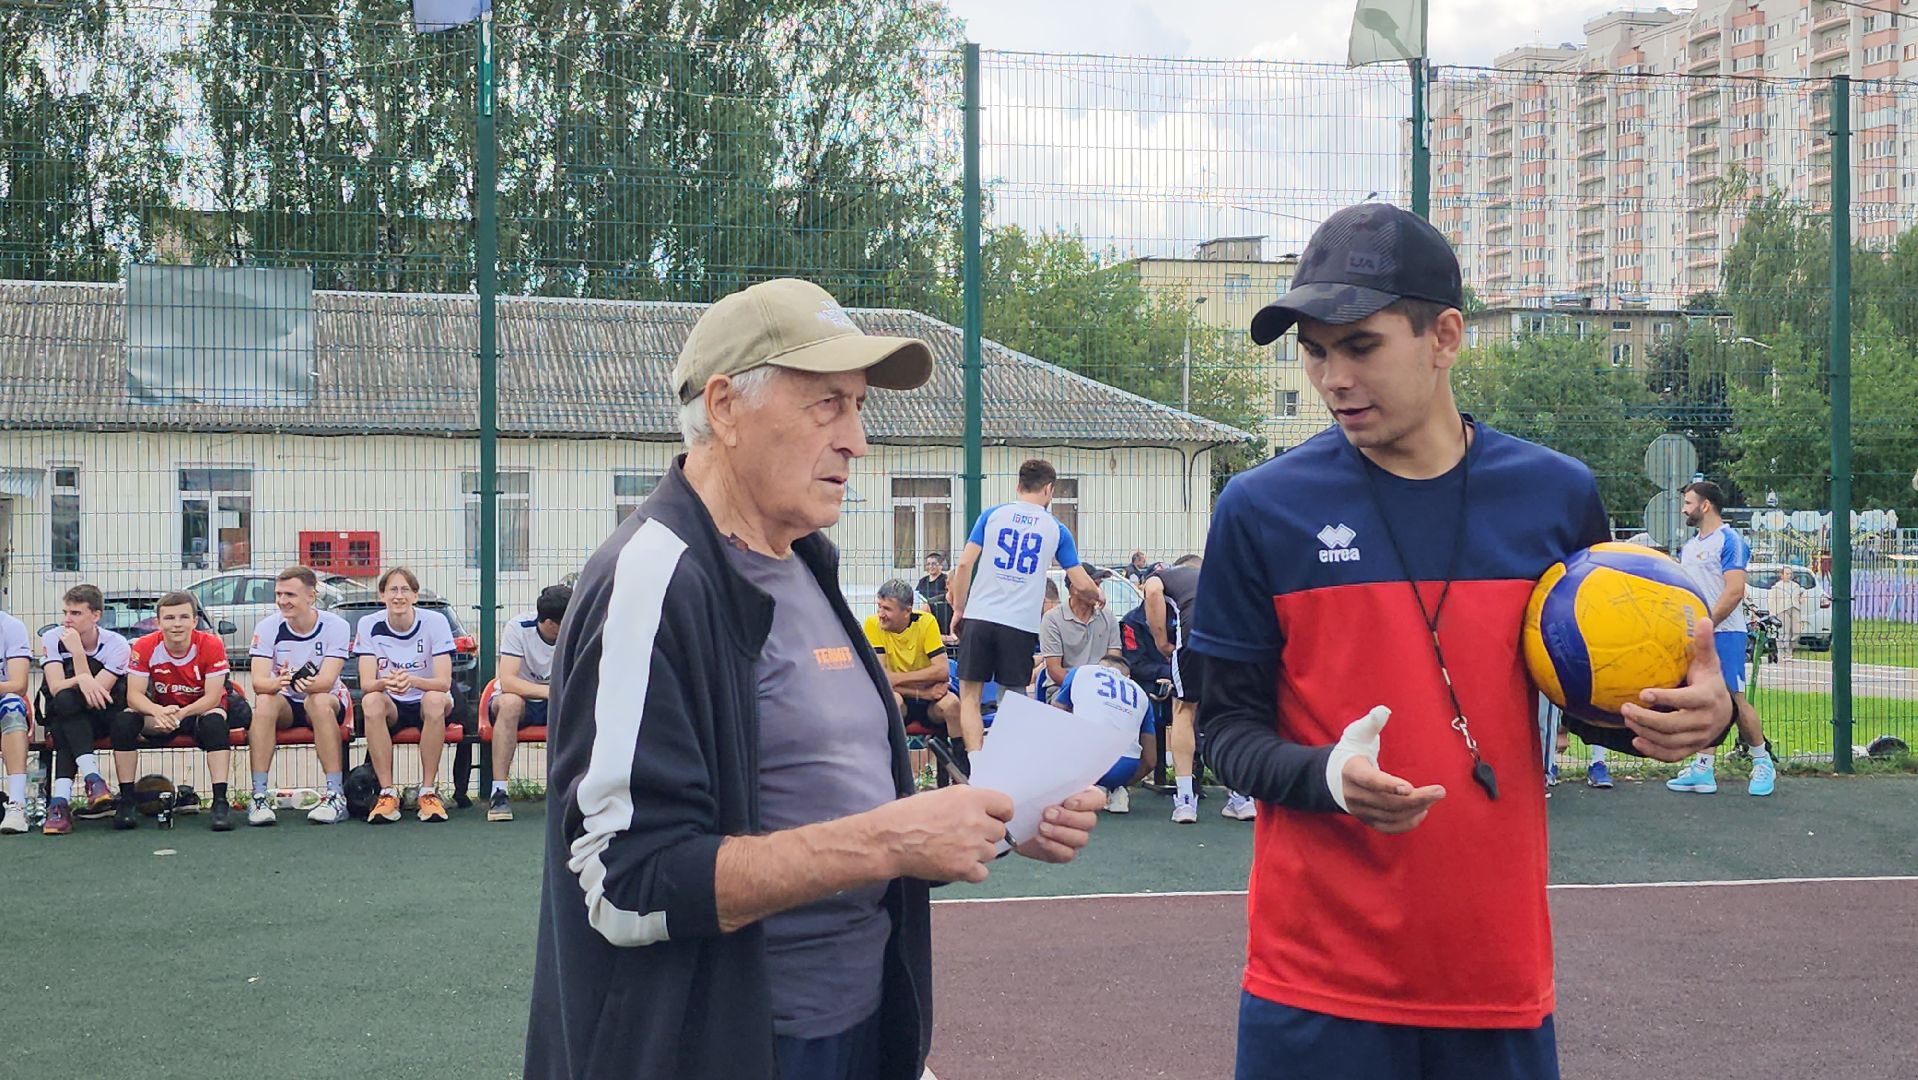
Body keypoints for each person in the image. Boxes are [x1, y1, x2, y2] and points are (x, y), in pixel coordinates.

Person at [1192, 203, 1733, 1080]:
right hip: (1315, 985)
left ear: (1445, 336)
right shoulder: (1259, 509)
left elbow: (1595, 703)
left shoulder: (1554, 496)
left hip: (1496, 975)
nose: (1332, 377)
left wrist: (1687, 714)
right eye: (1313, 351)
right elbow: (1223, 730)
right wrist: (1325, 774)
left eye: (1359, 346)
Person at [525, 277, 1103, 1080]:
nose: (858, 441)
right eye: (827, 405)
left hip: (862, 1028)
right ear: (724, 408)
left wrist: (997, 822)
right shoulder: (653, 580)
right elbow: (625, 882)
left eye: (859, 407)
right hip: (726, 1047)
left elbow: (833, 800)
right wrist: (890, 839)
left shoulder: (806, 564)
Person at [950, 458, 1102, 755]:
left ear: (1018, 486)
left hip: (980, 617)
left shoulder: (992, 515)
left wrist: (959, 607)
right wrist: (1097, 594)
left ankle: (976, 763)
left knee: (970, 696)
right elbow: (1080, 583)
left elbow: (965, 563)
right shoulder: (1056, 529)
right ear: (1049, 489)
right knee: (1013, 698)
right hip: (1019, 624)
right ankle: (1007, 763)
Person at [1668, 481, 1776, 798]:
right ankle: (1703, 768)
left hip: (1726, 633)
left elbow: (1734, 591)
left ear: (1705, 506)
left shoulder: (1729, 541)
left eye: (1688, 503)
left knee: (1735, 700)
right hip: (1699, 636)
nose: (1683, 509)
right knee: (1703, 700)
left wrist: (1707, 623)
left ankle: (1762, 762)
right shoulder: (1688, 547)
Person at [117, 591, 248, 831]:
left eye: (183, 617)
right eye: (169, 618)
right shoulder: (144, 646)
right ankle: (126, 803)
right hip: (163, 711)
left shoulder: (211, 644)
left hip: (197, 711)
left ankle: (220, 802)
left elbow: (211, 697)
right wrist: (158, 711)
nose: (176, 624)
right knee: (124, 721)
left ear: (194, 621)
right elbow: (133, 695)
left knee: (215, 723)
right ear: (157, 622)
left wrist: (179, 714)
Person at [1147, 555, 1255, 823]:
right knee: (1230, 713)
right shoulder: (1222, 576)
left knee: (1184, 708)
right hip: (1241, 632)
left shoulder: (1165, 576)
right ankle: (1241, 797)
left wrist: (1161, 640)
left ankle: (1185, 801)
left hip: (1198, 626)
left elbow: (1151, 591)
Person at [247, 565, 353, 826]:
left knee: (316, 701)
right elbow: (259, 683)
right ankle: (259, 796)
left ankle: (334, 795)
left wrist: (298, 680)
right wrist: (280, 681)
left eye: (290, 595)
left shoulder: (335, 625)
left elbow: (327, 681)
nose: (283, 601)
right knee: (264, 702)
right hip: (285, 700)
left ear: (311, 596)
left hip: (324, 698)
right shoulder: (268, 626)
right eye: (279, 594)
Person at [354, 567, 457, 823]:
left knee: (434, 700)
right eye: (392, 590)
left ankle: (428, 792)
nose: (398, 596)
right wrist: (387, 683)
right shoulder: (369, 624)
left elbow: (443, 683)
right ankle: (387, 794)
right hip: (392, 702)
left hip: (427, 698)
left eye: (404, 590)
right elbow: (367, 683)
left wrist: (414, 681)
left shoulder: (435, 622)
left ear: (415, 595)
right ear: (382, 596)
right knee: (371, 701)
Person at [38, 584, 129, 834]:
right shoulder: (52, 637)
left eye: (76, 613)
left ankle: (60, 805)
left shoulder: (117, 645)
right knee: (65, 703)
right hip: (69, 714)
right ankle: (92, 781)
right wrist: (81, 679)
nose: (67, 620)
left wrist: (78, 654)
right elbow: (56, 687)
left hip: (102, 714)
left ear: (96, 616)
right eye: (65, 612)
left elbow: (95, 697)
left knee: (65, 715)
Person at [486, 583, 572, 822]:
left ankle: (574, 791)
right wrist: (553, 692)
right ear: (550, 623)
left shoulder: (577, 629)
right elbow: (509, 681)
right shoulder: (518, 628)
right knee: (510, 703)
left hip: (557, 699)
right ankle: (499, 792)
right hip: (522, 701)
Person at [864, 579, 960, 754]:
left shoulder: (926, 622)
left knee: (952, 704)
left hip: (930, 701)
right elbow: (882, 681)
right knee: (893, 700)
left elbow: (942, 671)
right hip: (905, 698)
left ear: (907, 611)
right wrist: (922, 691)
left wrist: (896, 679)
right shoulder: (872, 625)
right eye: (879, 606)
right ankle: (894, 768)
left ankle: (962, 768)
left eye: (887, 609)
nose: (880, 614)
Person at [1052, 656, 1154, 813]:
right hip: (1124, 768)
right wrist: (1123, 781)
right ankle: (1113, 788)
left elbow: (1055, 713)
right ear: (1128, 677)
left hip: (1084, 763)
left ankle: (1080, 787)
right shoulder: (1141, 694)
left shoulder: (1082, 672)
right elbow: (1150, 760)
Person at [1038, 568, 1123, 700]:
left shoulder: (1108, 617)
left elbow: (1115, 663)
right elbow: (1055, 671)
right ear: (1074, 588)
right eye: (1093, 585)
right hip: (1063, 689)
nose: (1098, 591)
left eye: (1099, 585)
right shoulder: (1052, 619)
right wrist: (1088, 692)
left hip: (1103, 692)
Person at [1, 607, 35, 834]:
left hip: (4, 703)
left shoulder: (10, 627)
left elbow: (18, 685)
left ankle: (17, 806)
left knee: (12, 704)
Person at [1765, 570, 1806, 661]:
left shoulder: (1796, 586)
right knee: (1784, 631)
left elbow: (1801, 598)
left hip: (1795, 609)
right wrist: (1772, 612)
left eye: (1790, 574)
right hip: (1782, 610)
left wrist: (1801, 599)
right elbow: (1771, 600)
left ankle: (1789, 649)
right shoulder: (1776, 587)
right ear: (1781, 575)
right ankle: (1784, 653)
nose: (1789, 575)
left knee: (1796, 631)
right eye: (1787, 574)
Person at [915, 552, 954, 638]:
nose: (931, 567)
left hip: (941, 614)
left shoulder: (945, 580)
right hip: (925, 611)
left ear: (940, 565)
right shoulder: (923, 581)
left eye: (933, 564)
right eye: (928, 564)